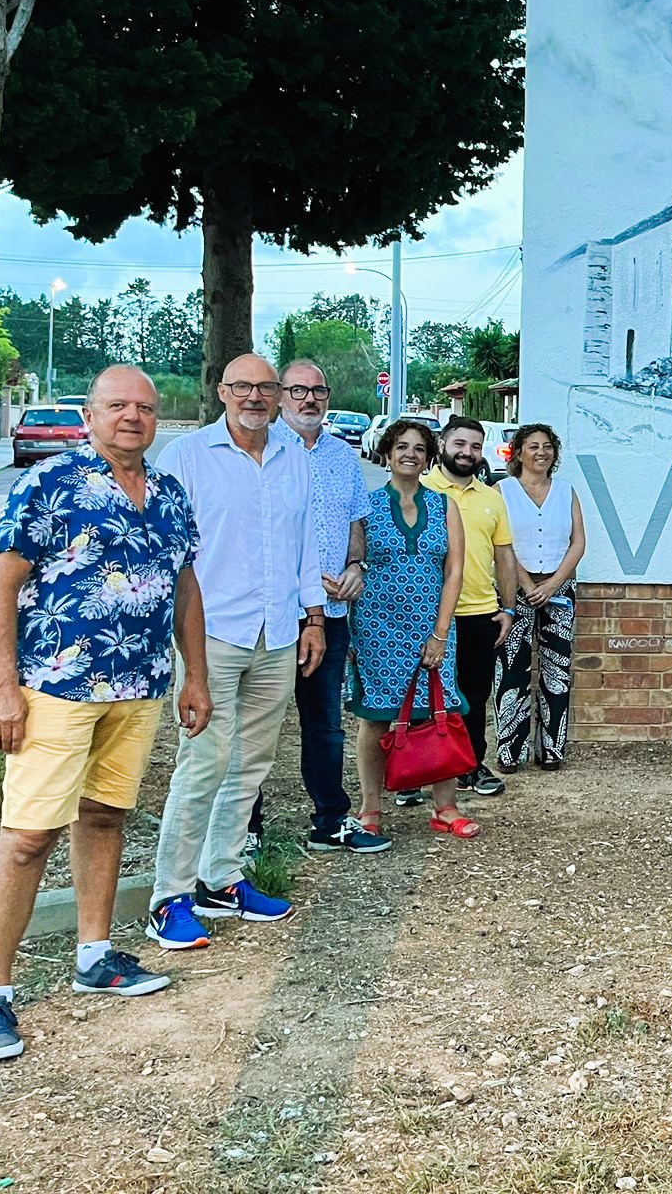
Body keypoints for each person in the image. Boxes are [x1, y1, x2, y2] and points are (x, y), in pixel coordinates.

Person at [0, 368, 211, 1063]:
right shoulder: (50, 482)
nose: (132, 416)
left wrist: (195, 674)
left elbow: (184, 587)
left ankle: (95, 954)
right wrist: (1, 685)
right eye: (117, 405)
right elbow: (1, 586)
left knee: (105, 816)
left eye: (145, 407)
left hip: (138, 687)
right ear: (90, 413)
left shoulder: (167, 492)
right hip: (57, 687)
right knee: (27, 838)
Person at [144, 353, 324, 951]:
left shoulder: (292, 456)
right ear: (221, 391)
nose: (254, 396)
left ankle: (220, 879)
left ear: (278, 395)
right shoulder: (187, 457)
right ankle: (169, 896)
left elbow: (304, 547)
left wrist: (313, 618)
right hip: (211, 636)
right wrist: (185, 653)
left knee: (250, 764)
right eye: (241, 386)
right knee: (202, 764)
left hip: (277, 633)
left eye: (264, 387)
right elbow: (170, 556)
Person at [247, 361, 388, 854]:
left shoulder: (342, 456)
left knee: (325, 723)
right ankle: (246, 832)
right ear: (281, 396)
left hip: (331, 614)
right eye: (299, 391)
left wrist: (355, 566)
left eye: (319, 391)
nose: (310, 400)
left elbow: (356, 519)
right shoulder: (266, 450)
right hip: (275, 615)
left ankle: (330, 820)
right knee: (256, 725)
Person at [348, 419, 479, 837]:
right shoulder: (365, 506)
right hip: (376, 627)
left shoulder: (444, 506)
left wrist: (441, 633)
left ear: (428, 458)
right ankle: (370, 810)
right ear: (386, 453)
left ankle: (445, 807)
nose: (410, 454)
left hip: (431, 625)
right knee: (375, 718)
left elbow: (454, 570)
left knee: (441, 713)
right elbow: (352, 565)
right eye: (401, 446)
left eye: (419, 449)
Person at [415, 415, 518, 799]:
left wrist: (508, 609)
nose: (467, 453)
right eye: (460, 444)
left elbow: (504, 555)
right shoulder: (421, 489)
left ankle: (471, 766)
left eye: (475, 446)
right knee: (424, 696)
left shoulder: (493, 497)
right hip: (429, 614)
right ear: (442, 444)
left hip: (480, 613)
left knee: (474, 696)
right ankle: (416, 773)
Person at [494, 424, 588, 770]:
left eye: (547, 446)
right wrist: (525, 583)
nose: (541, 452)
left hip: (559, 589)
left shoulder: (566, 492)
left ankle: (551, 748)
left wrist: (552, 584)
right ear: (518, 452)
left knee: (556, 671)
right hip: (513, 589)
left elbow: (578, 542)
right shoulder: (501, 491)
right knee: (511, 670)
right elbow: (500, 544)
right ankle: (509, 750)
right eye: (532, 446)